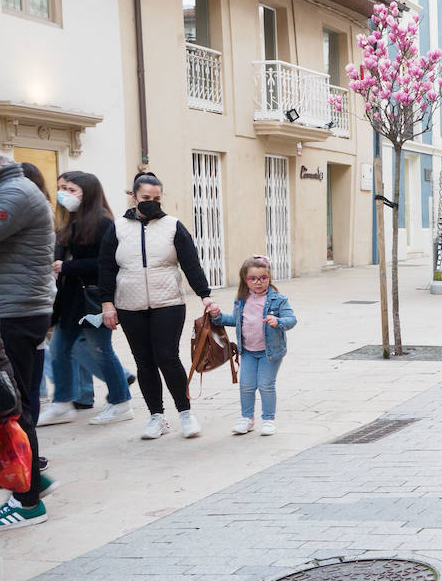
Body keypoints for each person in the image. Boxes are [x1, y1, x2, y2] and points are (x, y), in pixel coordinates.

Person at [99, 172, 219, 440]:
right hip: (129, 304)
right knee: (144, 361)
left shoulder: (173, 226)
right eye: (145, 198)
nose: (151, 203)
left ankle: (186, 413)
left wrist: (205, 295)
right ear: (133, 196)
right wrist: (107, 302)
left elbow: (191, 263)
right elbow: (106, 267)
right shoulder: (117, 227)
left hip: (168, 302)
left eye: (156, 199)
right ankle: (156, 417)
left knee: (167, 356)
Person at [41, 171, 134, 427]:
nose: (64, 194)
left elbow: (105, 264)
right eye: (61, 188)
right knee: (59, 349)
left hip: (93, 298)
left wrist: (66, 267)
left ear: (87, 193)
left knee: (100, 351)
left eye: (71, 189)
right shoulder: (68, 223)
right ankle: (61, 403)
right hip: (69, 299)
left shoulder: (104, 223)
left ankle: (121, 402)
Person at [0, 155, 57, 529]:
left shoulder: (14, 193)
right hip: (17, 309)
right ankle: (32, 478)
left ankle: (28, 500)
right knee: (14, 403)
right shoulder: (14, 189)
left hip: (16, 313)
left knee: (13, 407)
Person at [213, 255, 296, 436]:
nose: (258, 282)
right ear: (245, 280)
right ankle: (247, 419)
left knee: (266, 384)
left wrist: (278, 320)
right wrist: (218, 317)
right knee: (246, 385)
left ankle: (268, 419)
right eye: (253, 279)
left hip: (270, 352)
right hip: (248, 352)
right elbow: (236, 320)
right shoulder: (242, 299)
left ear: (269, 278)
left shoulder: (278, 300)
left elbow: (292, 319)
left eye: (263, 278)